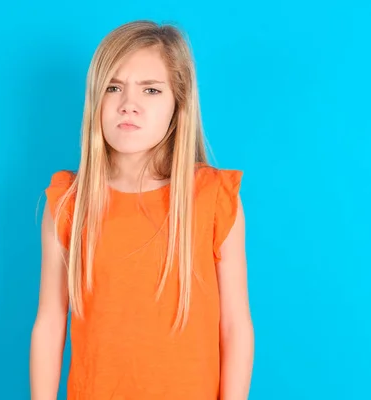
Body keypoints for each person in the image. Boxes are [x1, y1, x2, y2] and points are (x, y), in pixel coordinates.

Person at [30, 20, 254, 400]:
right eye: (113, 87)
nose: (128, 103)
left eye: (151, 90)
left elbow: (235, 326)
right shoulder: (69, 202)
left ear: (178, 104)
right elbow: (50, 323)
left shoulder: (214, 198)